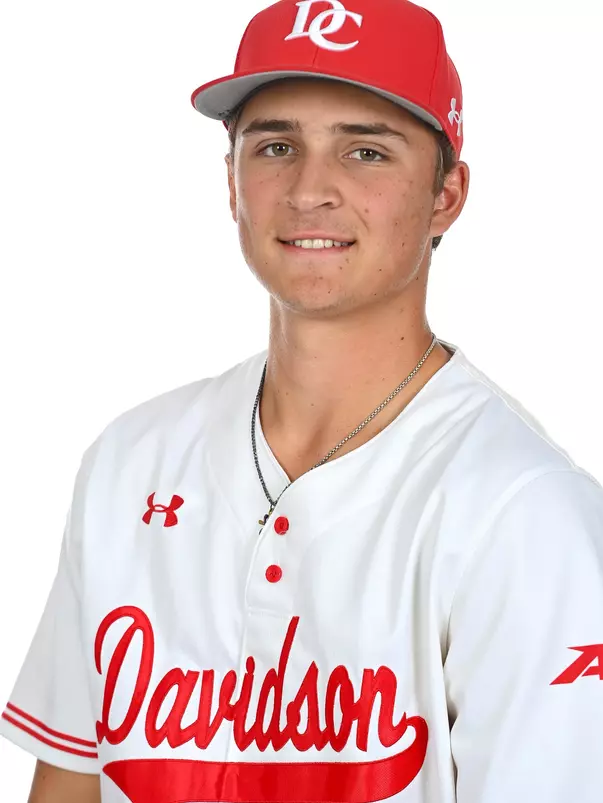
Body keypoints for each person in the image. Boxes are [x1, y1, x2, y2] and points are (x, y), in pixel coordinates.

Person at [2, 0, 602, 800]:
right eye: (276, 145)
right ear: (231, 183)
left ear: (445, 196)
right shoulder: (130, 460)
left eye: (366, 151)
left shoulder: (524, 513)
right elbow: (69, 782)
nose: (309, 189)